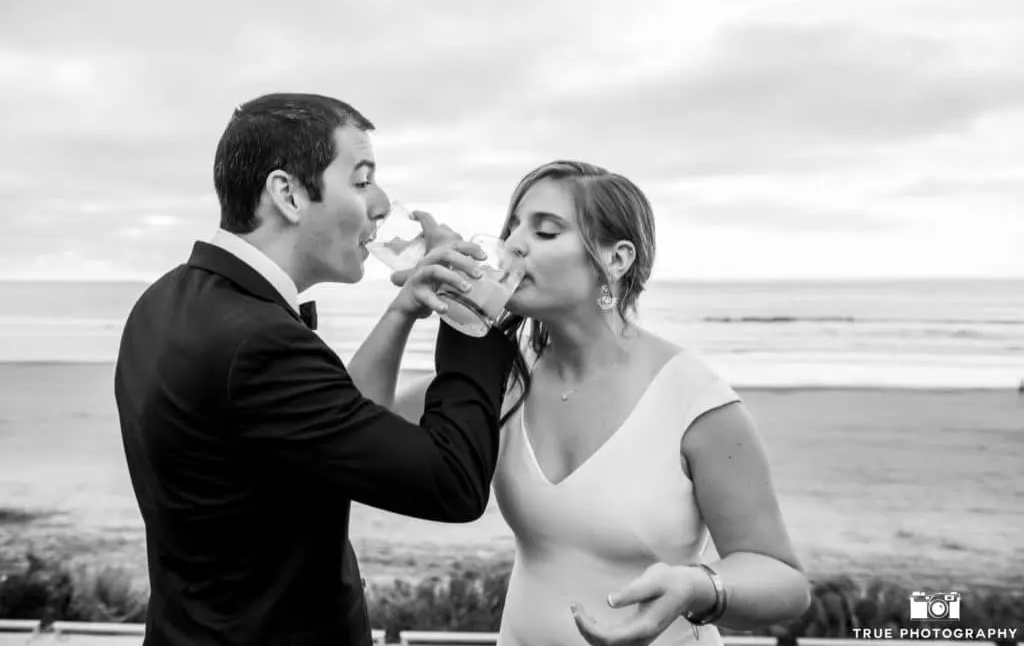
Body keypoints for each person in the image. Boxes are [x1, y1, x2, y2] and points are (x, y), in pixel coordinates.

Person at [113, 92, 516, 646]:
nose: (381, 202)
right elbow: (452, 483)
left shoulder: (163, 303)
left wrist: (404, 311)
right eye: (360, 179)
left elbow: (342, 431)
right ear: (288, 193)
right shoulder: (258, 345)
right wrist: (470, 310)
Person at [394, 160, 812, 645]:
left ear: (617, 260)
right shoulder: (505, 375)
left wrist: (697, 586)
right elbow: (347, 429)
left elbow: (784, 582)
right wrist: (407, 306)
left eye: (545, 232)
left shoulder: (692, 398)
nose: (512, 245)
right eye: (512, 227)